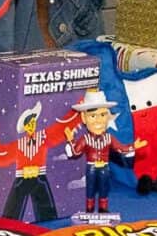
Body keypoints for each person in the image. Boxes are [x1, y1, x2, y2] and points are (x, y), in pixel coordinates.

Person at [57, 90, 136, 220]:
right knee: (91, 189)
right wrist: (71, 140)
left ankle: (103, 211)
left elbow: (120, 148)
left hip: (104, 168)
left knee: (104, 189)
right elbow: (76, 152)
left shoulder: (109, 138)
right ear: (84, 118)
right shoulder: (85, 139)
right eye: (93, 116)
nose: (98, 120)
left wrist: (133, 146)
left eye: (103, 115)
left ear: (108, 117)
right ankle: (89, 211)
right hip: (92, 168)